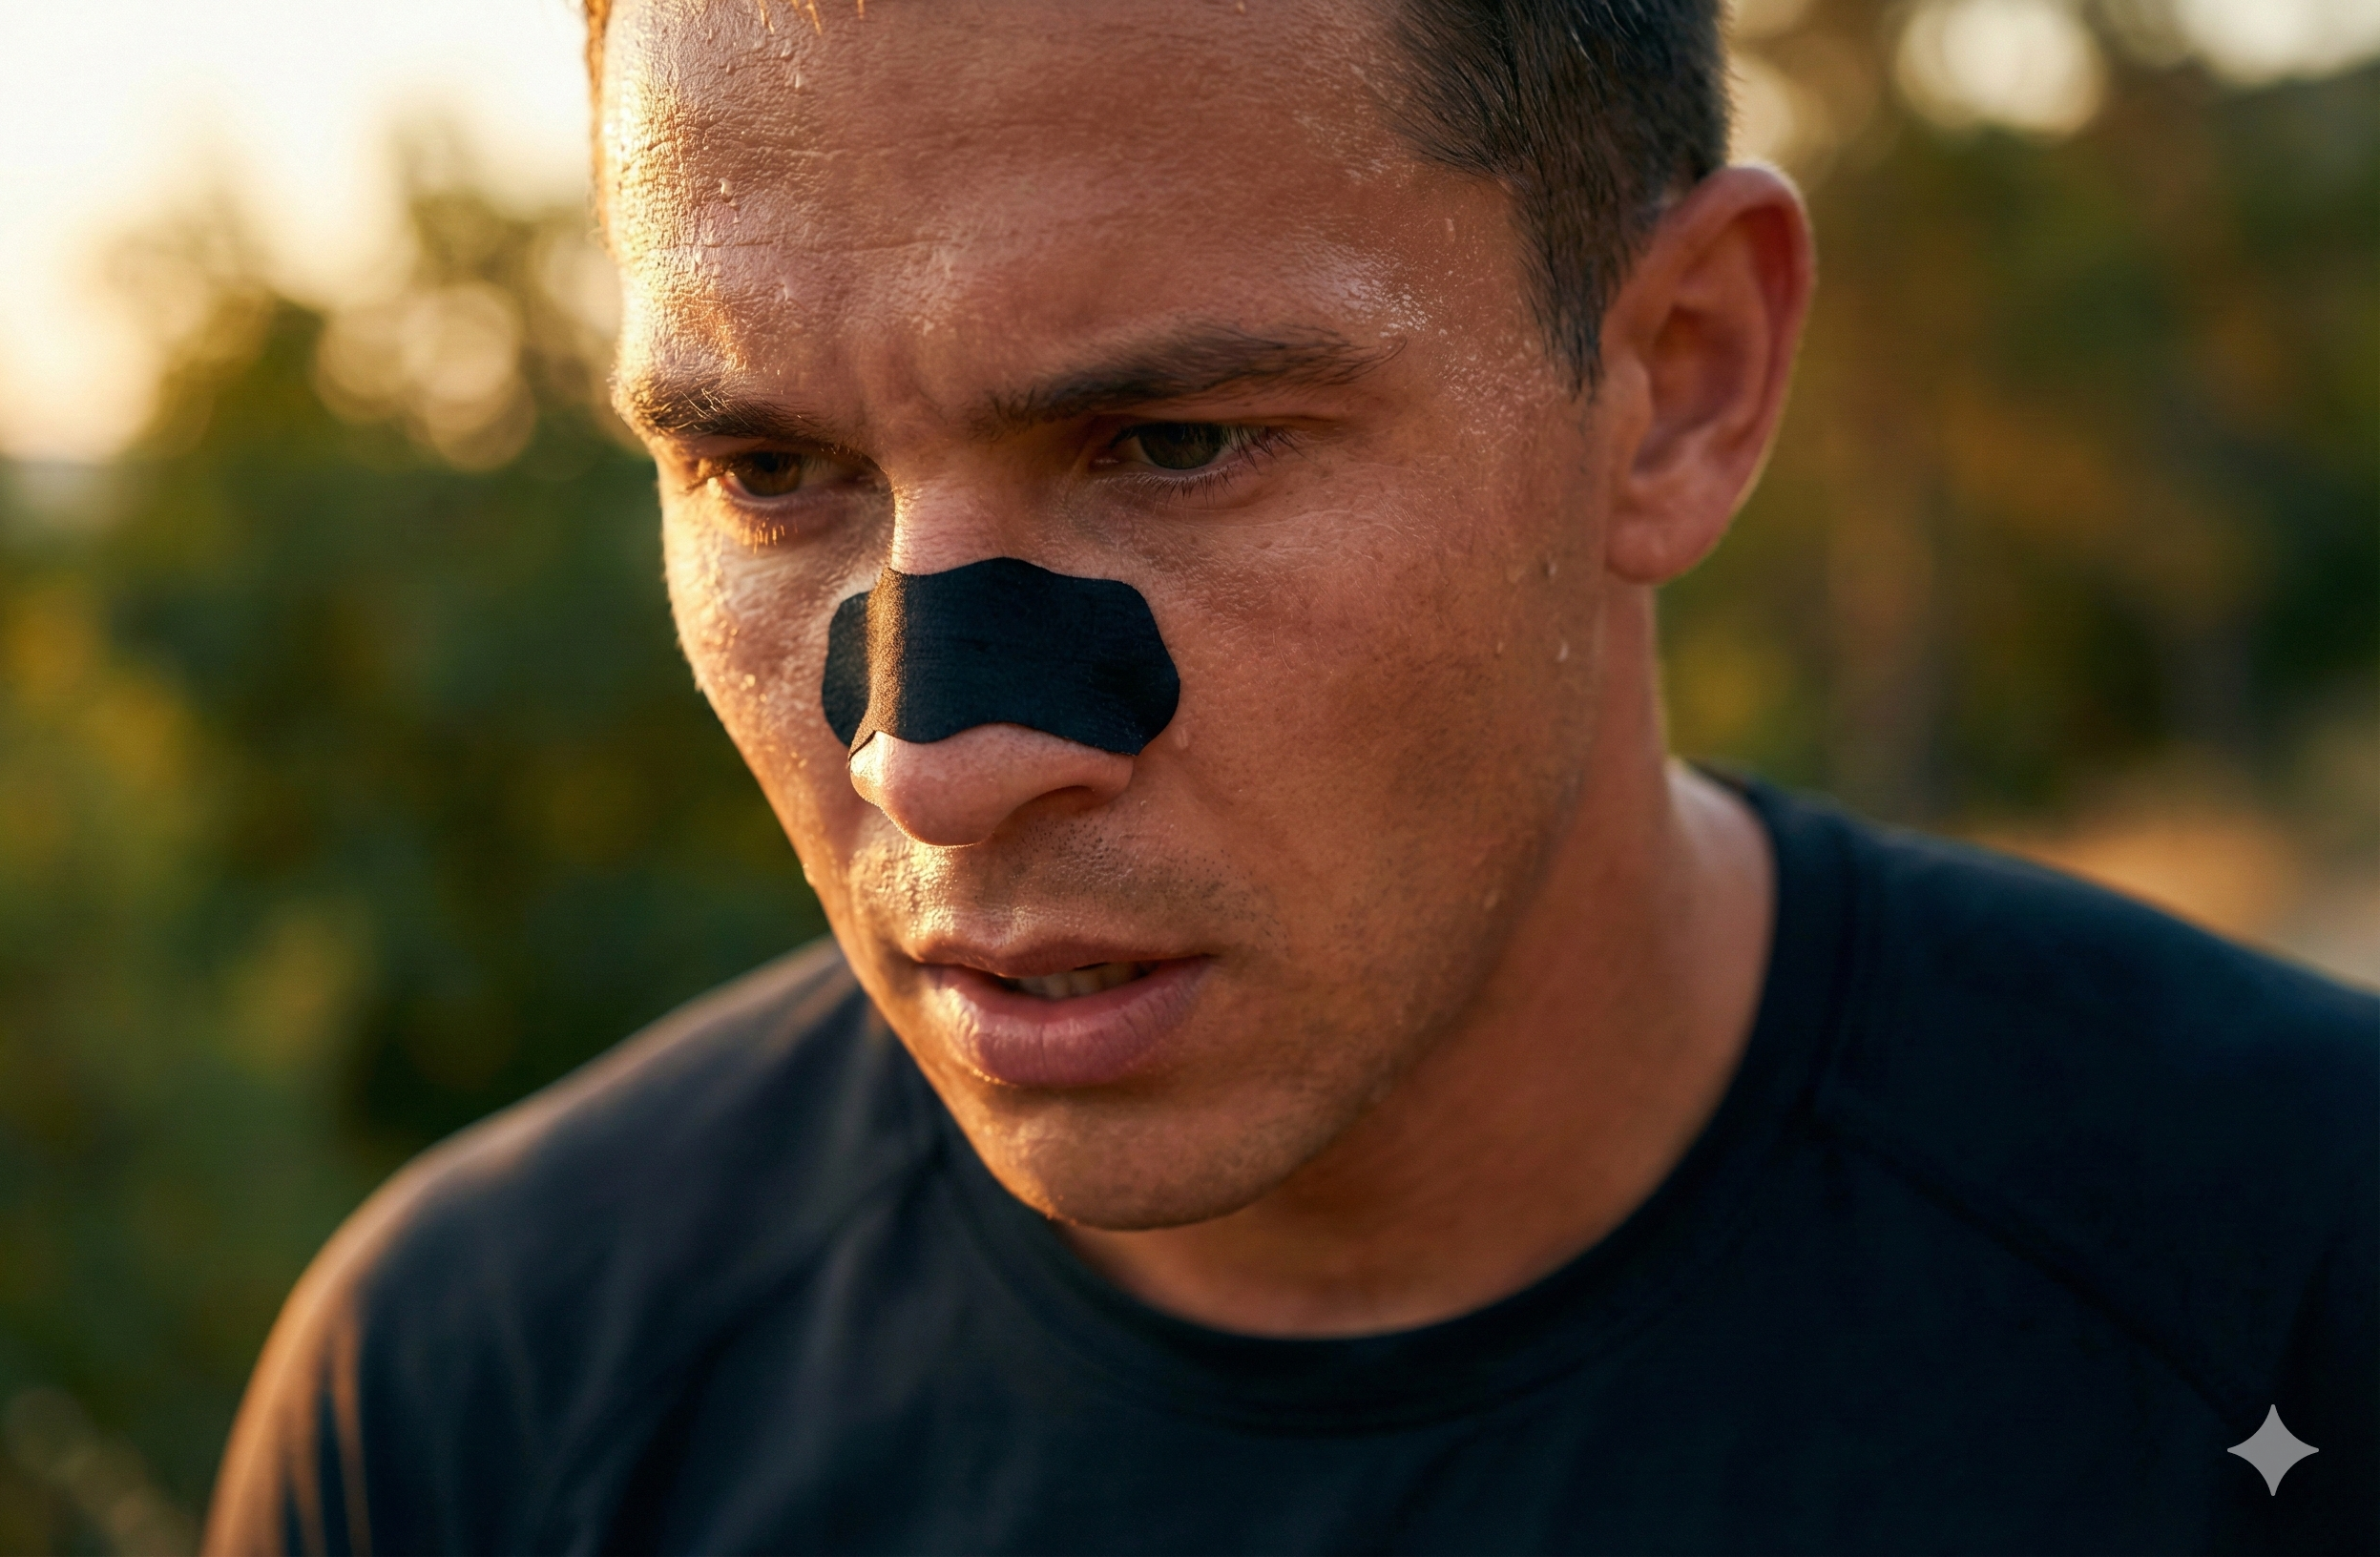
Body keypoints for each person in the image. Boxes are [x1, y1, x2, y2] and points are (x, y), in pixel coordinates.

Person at [203, 2, 2377, 1551]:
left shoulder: (2294, 1292)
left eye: (1174, 443)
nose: (934, 757)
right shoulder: (477, 1401)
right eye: (768, 471)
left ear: (1679, 381)